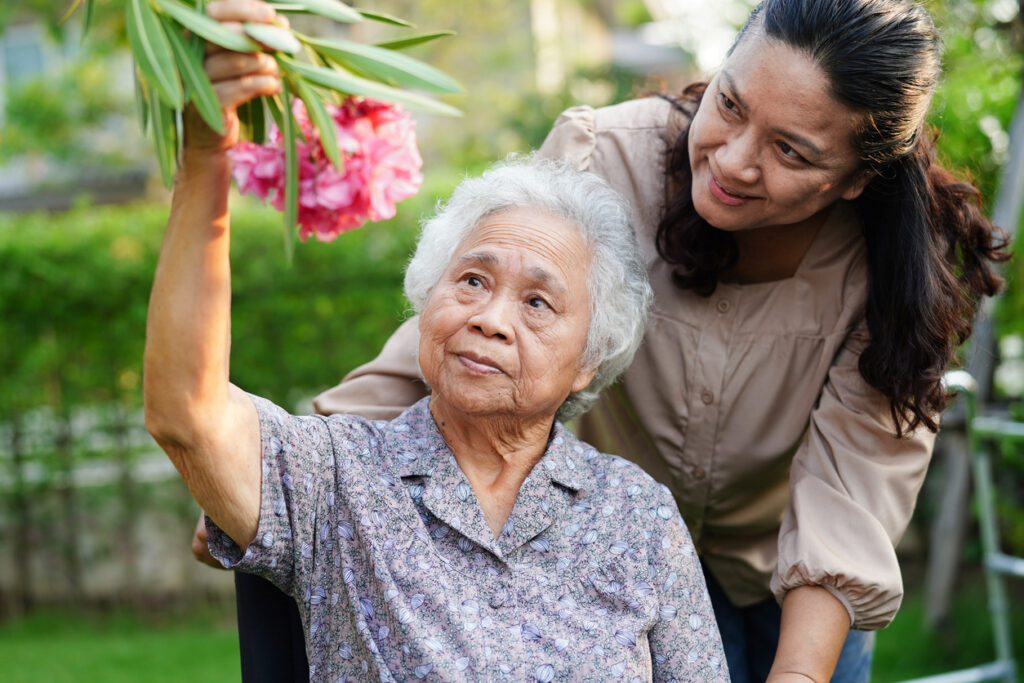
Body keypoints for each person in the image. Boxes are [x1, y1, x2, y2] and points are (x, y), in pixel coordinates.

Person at [309, 0, 1011, 681]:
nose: (734, 161)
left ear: (857, 178)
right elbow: (467, 326)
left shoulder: (890, 265)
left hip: (788, 580)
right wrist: (299, 478)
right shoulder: (603, 160)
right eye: (730, 105)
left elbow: (850, 490)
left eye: (790, 149)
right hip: (607, 557)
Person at [144, 10, 730, 673]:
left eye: (537, 301)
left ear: (587, 361)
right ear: (428, 299)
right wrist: (205, 156)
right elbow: (185, 414)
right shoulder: (337, 478)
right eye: (473, 279)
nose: (490, 318)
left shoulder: (636, 515)